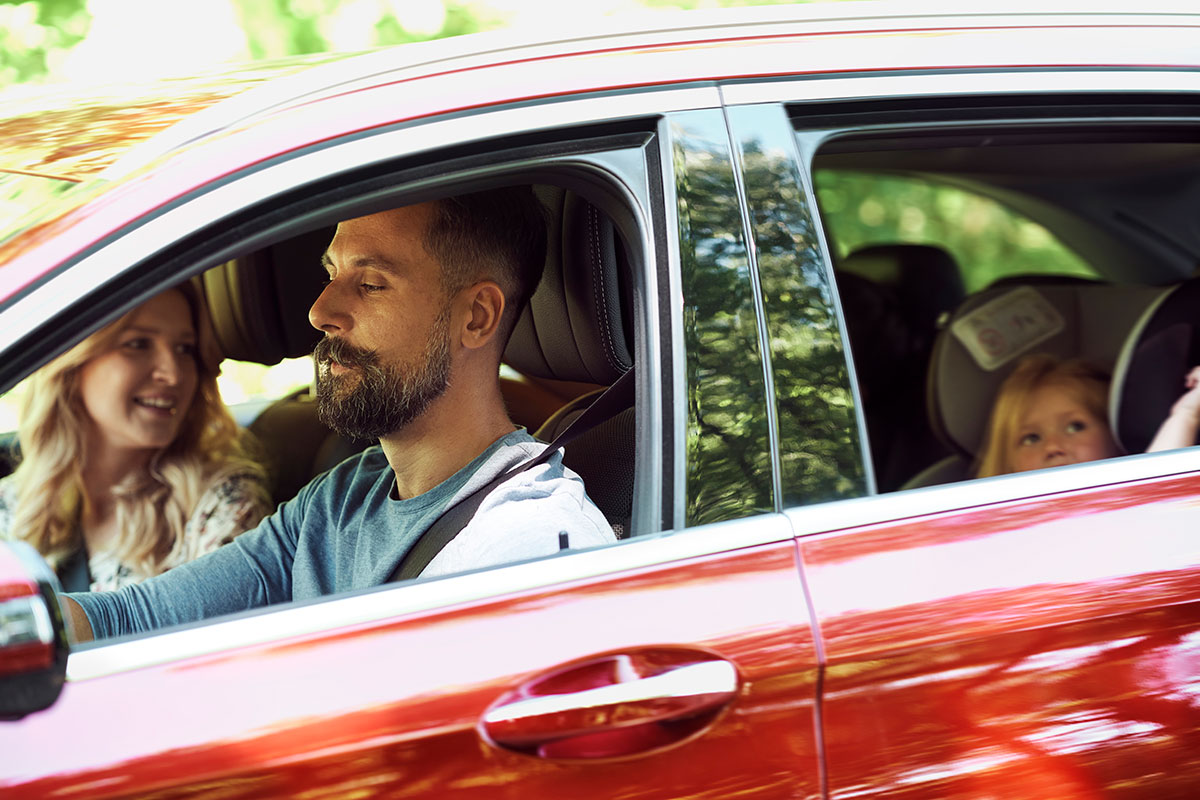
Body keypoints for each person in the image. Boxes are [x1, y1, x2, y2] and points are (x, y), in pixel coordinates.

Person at [62, 186, 616, 642]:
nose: (320, 310)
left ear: (475, 317)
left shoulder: (526, 548)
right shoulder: (339, 502)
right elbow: (128, 620)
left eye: (370, 284)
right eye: (331, 274)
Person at [0, 284, 270, 592]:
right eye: (138, 344)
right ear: (73, 363)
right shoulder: (13, 505)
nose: (173, 374)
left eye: (185, 349)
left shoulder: (220, 507)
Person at [975, 353, 1200, 478]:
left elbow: (1155, 483)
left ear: (1115, 435)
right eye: (1031, 438)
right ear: (1009, 462)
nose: (1053, 447)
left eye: (1075, 427)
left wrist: (1185, 415)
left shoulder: (1121, 496)